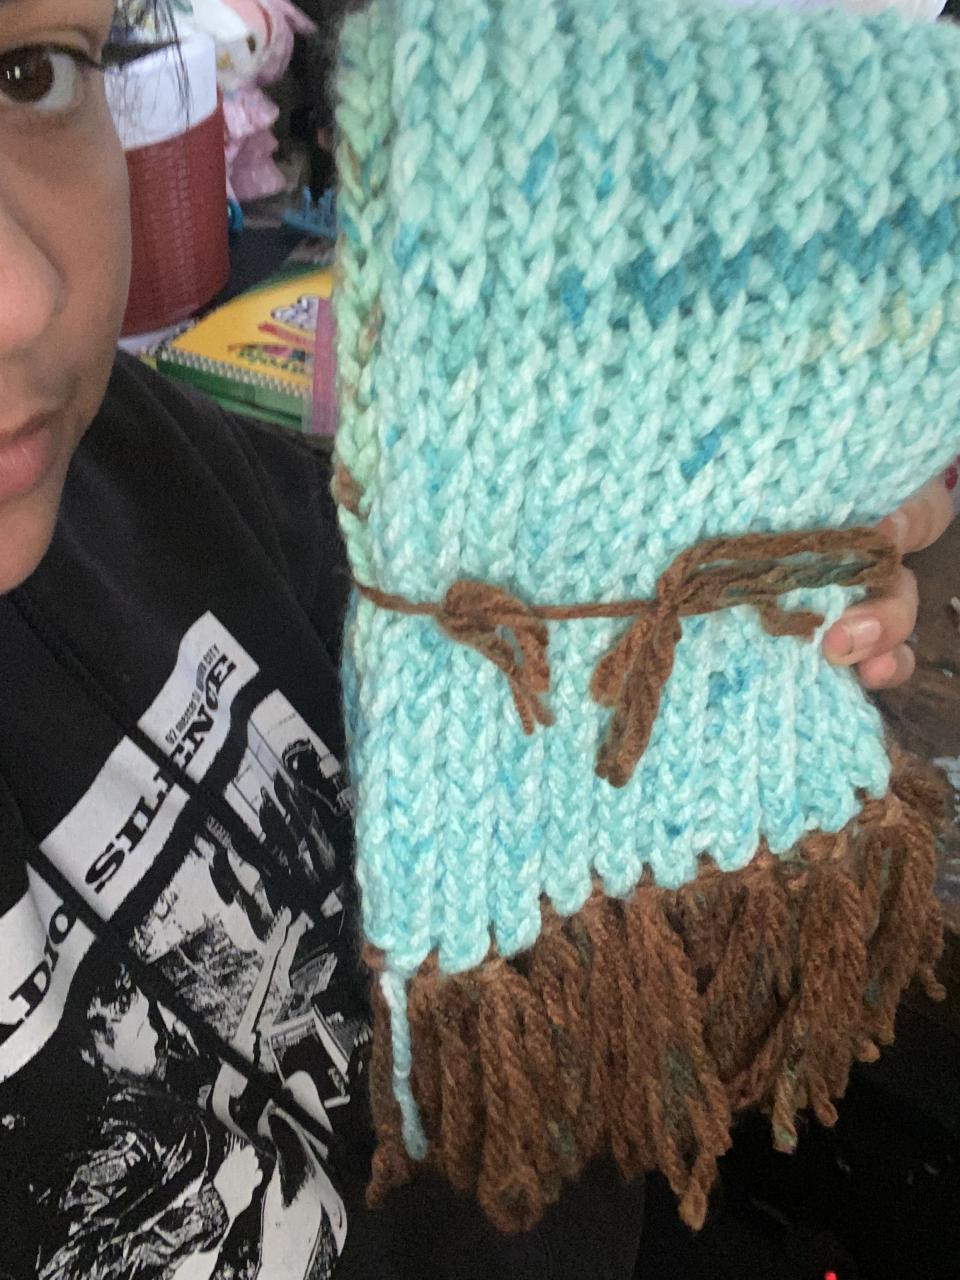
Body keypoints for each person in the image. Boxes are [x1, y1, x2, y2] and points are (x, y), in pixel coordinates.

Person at [0, 1, 955, 1277]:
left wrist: (734, 598)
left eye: (30, 72)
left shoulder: (156, 461)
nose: (21, 297)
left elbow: (471, 643)